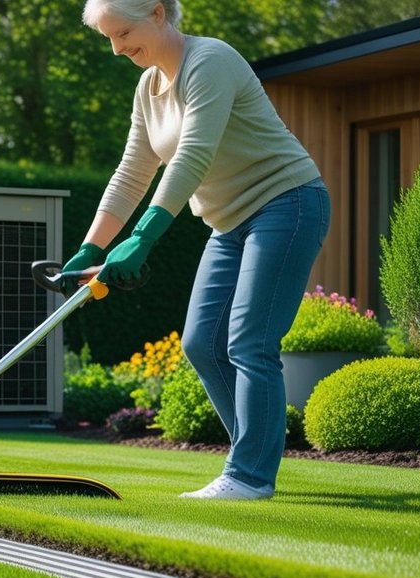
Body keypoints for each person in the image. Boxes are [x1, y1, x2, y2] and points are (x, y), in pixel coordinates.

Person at [64, 0, 330, 500]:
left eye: (124, 33)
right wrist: (88, 248)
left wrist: (141, 239)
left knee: (249, 342)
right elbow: (132, 172)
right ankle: (254, 455)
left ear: (158, 13)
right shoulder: (148, 88)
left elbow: (192, 155)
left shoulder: (211, 61)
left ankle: (249, 475)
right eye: (111, 39)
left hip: (287, 203)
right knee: (201, 343)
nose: (119, 49)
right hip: (228, 222)